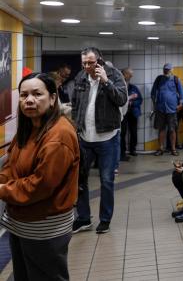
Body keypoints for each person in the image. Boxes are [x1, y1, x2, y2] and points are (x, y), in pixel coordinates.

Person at [0, 73, 80, 281]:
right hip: (22, 223)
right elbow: (11, 163)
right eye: (24, 95)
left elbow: (41, 185)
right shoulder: (30, 127)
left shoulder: (59, 135)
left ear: (53, 98)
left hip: (45, 227)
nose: (29, 100)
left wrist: (2, 189)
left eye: (37, 94)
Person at [71, 47, 128, 235]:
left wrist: (105, 81)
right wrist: (75, 126)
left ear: (99, 60)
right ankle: (84, 218)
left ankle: (105, 220)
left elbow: (121, 99)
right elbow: (75, 104)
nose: (87, 66)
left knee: (106, 180)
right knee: (80, 179)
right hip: (85, 138)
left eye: (91, 63)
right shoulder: (80, 77)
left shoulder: (114, 74)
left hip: (108, 138)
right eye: (84, 63)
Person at [151, 63, 183, 156]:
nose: (166, 71)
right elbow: (153, 93)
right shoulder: (159, 79)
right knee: (161, 129)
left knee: (172, 130)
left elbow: (182, 94)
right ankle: (161, 148)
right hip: (160, 109)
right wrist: (155, 104)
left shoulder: (176, 79)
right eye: (165, 69)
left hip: (172, 109)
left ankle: (173, 149)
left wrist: (181, 104)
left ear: (171, 70)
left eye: (168, 69)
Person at [121, 67, 142, 158]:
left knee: (133, 132)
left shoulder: (134, 88)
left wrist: (132, 103)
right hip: (123, 114)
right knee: (123, 133)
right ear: (124, 74)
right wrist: (128, 100)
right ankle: (123, 151)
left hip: (133, 113)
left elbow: (140, 100)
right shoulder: (121, 87)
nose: (131, 76)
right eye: (130, 74)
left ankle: (133, 149)